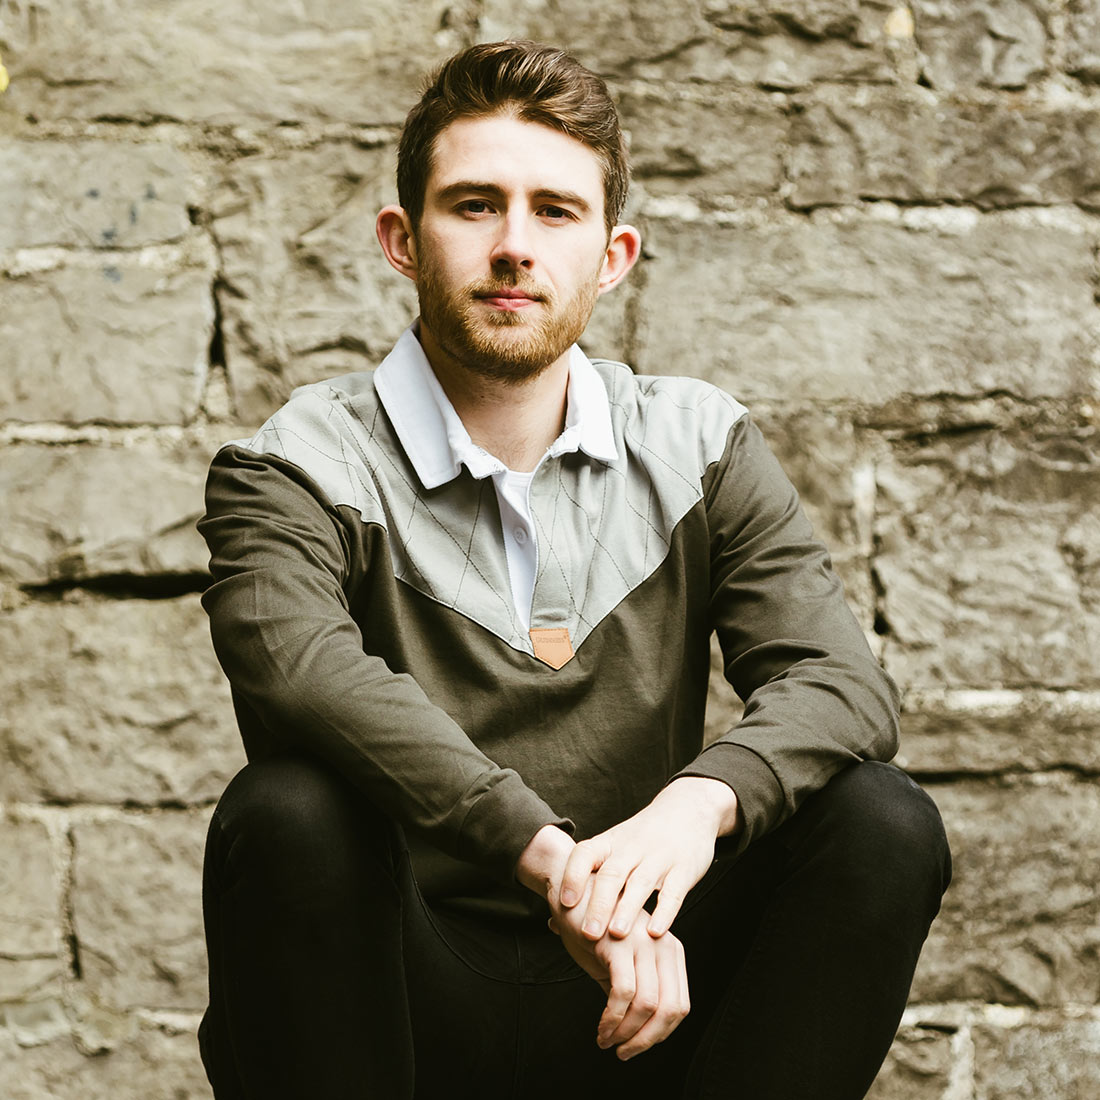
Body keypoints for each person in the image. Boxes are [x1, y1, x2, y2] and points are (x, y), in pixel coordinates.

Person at [196, 39, 951, 1100]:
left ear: (611, 256)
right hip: (399, 996)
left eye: (554, 211)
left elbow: (839, 682)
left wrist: (692, 810)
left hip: (645, 993)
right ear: (402, 240)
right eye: (474, 206)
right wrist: (551, 861)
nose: (514, 246)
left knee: (882, 820)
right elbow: (302, 672)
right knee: (287, 811)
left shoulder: (697, 444)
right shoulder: (294, 463)